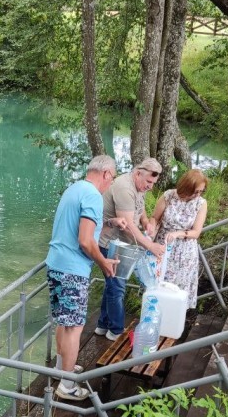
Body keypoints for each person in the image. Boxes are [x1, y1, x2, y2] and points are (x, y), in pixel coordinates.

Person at [46, 154, 120, 401]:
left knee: (64, 322)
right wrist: (104, 263)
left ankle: (60, 368)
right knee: (75, 327)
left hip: (56, 263)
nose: (111, 183)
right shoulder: (93, 196)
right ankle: (67, 385)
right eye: (113, 178)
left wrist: (108, 223)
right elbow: (86, 240)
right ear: (107, 174)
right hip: (72, 269)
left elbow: (80, 226)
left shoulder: (75, 189)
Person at [94, 157, 166, 340]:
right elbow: (127, 227)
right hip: (111, 242)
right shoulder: (125, 188)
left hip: (123, 242)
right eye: (148, 182)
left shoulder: (139, 185)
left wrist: (145, 222)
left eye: (153, 183)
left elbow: (139, 209)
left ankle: (103, 325)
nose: (150, 186)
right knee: (117, 287)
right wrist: (150, 245)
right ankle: (116, 331)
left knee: (112, 285)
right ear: (137, 173)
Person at [150, 169, 209, 309]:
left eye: (201, 191)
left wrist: (178, 233)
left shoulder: (200, 203)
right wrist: (150, 230)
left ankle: (172, 325)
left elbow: (196, 232)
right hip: (163, 248)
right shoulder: (169, 196)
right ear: (186, 187)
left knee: (177, 291)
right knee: (158, 287)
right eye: (195, 191)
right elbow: (154, 218)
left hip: (184, 252)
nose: (197, 194)